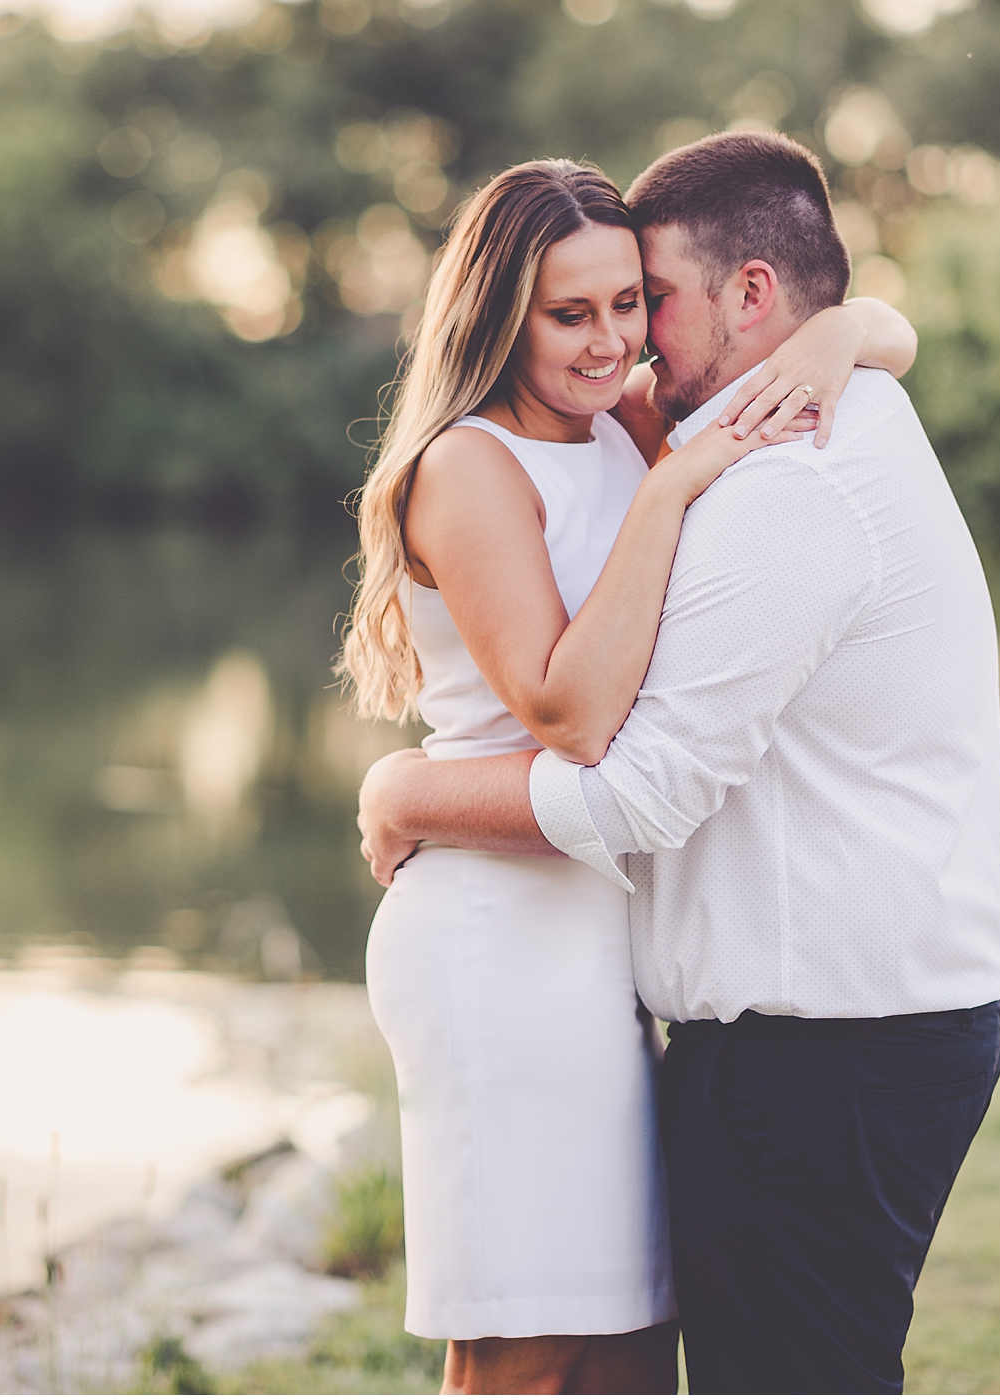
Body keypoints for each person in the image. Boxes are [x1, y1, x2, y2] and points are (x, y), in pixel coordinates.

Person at [342, 152, 920, 1395]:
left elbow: (885, 328)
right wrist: (673, 484)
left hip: (601, 935)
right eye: (570, 313)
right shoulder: (472, 465)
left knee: (627, 1358)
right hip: (496, 932)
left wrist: (845, 334)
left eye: (627, 304)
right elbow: (570, 710)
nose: (611, 343)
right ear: (500, 314)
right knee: (524, 1355)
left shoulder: (615, 418)